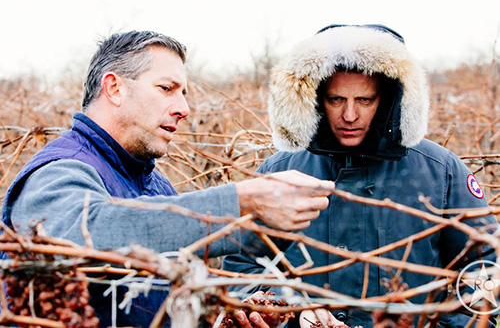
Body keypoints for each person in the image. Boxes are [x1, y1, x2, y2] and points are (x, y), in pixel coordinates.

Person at [1, 30, 335, 327]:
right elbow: (81, 235)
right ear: (114, 88)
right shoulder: (62, 169)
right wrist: (241, 203)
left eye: (184, 92)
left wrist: (240, 306)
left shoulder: (155, 183)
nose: (184, 108)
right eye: (166, 89)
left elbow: (173, 284)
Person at [223, 24, 499, 327]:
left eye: (365, 101)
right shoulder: (280, 173)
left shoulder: (440, 170)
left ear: (389, 101)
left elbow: (488, 268)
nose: (350, 116)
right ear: (316, 99)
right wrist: (285, 307)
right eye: (336, 100)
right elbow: (240, 268)